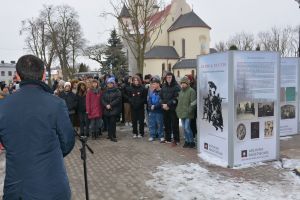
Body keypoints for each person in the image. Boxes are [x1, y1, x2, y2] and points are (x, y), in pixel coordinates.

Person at [0, 55, 75, 199]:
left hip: (16, 189)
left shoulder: (3, 106)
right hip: (51, 186)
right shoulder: (56, 104)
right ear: (44, 75)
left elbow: (5, 141)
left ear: (17, 76)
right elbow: (67, 143)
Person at [160, 72, 181, 146]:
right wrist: (163, 104)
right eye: (167, 77)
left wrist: (168, 104)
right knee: (167, 124)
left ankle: (176, 139)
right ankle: (168, 138)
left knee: (174, 124)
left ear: (172, 78)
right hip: (165, 108)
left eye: (170, 77)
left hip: (173, 109)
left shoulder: (176, 87)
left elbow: (176, 98)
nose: (168, 79)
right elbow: (161, 96)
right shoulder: (164, 86)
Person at [176, 76, 197, 148]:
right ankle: (187, 141)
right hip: (182, 113)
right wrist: (177, 110)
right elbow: (179, 103)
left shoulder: (191, 91)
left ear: (187, 83)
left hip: (188, 114)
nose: (183, 85)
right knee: (184, 129)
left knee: (187, 127)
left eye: (184, 83)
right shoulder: (181, 92)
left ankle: (191, 141)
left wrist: (189, 111)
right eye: (182, 83)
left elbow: (193, 103)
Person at [101, 77, 122, 142]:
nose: (109, 84)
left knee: (113, 123)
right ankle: (109, 134)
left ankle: (113, 135)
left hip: (114, 109)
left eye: (111, 83)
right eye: (108, 83)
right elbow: (102, 99)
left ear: (113, 84)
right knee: (108, 123)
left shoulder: (117, 90)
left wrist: (111, 104)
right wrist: (106, 105)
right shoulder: (105, 90)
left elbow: (118, 99)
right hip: (107, 109)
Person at [147, 77, 164, 142]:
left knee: (160, 124)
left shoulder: (162, 91)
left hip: (159, 111)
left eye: (154, 84)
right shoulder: (152, 92)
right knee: (152, 124)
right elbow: (149, 100)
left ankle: (161, 136)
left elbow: (161, 101)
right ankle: (152, 135)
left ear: (158, 84)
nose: (153, 85)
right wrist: (151, 105)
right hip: (152, 110)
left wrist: (155, 106)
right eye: (152, 84)